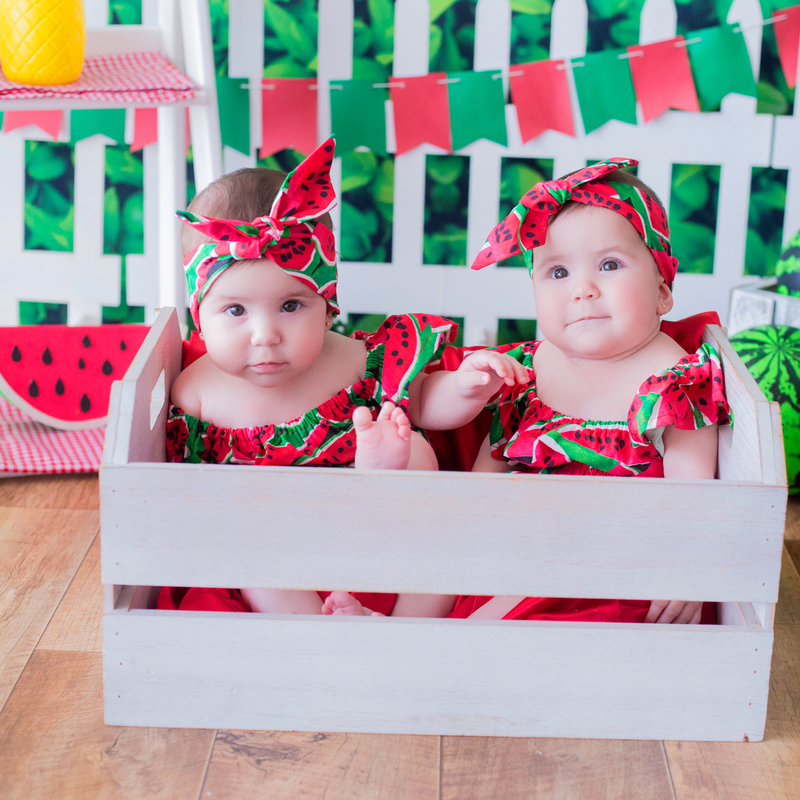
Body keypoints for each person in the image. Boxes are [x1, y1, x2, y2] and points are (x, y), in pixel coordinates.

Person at [158, 138, 525, 617]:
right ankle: (316, 635)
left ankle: (409, 629)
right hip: (281, 549)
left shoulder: (354, 358)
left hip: (379, 530)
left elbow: (422, 405)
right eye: (235, 310)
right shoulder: (197, 395)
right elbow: (190, 505)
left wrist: (464, 387)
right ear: (199, 314)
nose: (265, 334)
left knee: (415, 456)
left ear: (328, 303)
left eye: (291, 306)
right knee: (252, 560)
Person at [454, 157, 731, 624]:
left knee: (533, 627)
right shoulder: (530, 371)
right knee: (468, 605)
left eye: (609, 264)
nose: (582, 289)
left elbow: (692, 489)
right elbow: (492, 462)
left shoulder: (674, 378)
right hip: (521, 551)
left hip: (616, 569)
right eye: (557, 273)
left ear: (663, 291)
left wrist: (686, 566)